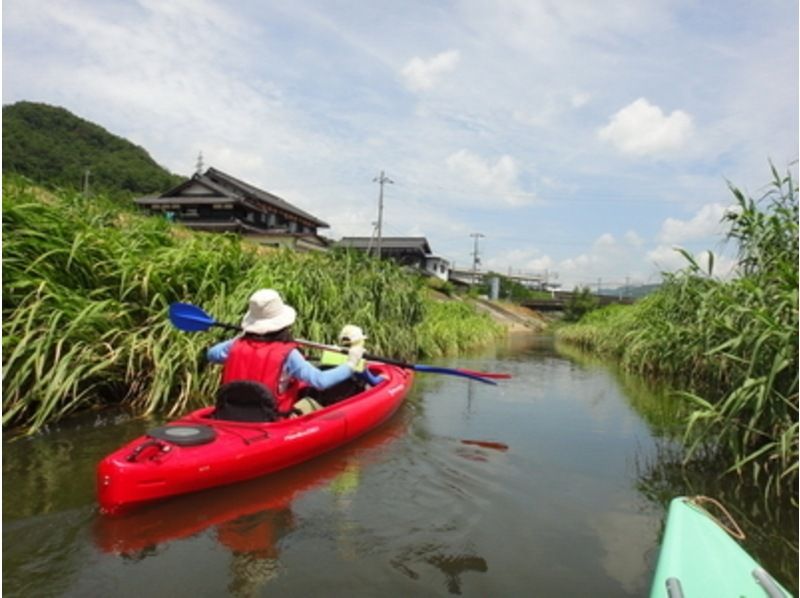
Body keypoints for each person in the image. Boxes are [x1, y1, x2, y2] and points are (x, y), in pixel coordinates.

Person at [207, 289, 364, 416]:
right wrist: (350, 364)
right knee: (311, 401)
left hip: (230, 414)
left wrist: (241, 336)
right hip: (273, 419)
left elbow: (211, 354)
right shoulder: (288, 355)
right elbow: (320, 381)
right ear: (284, 324)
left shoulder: (234, 344)